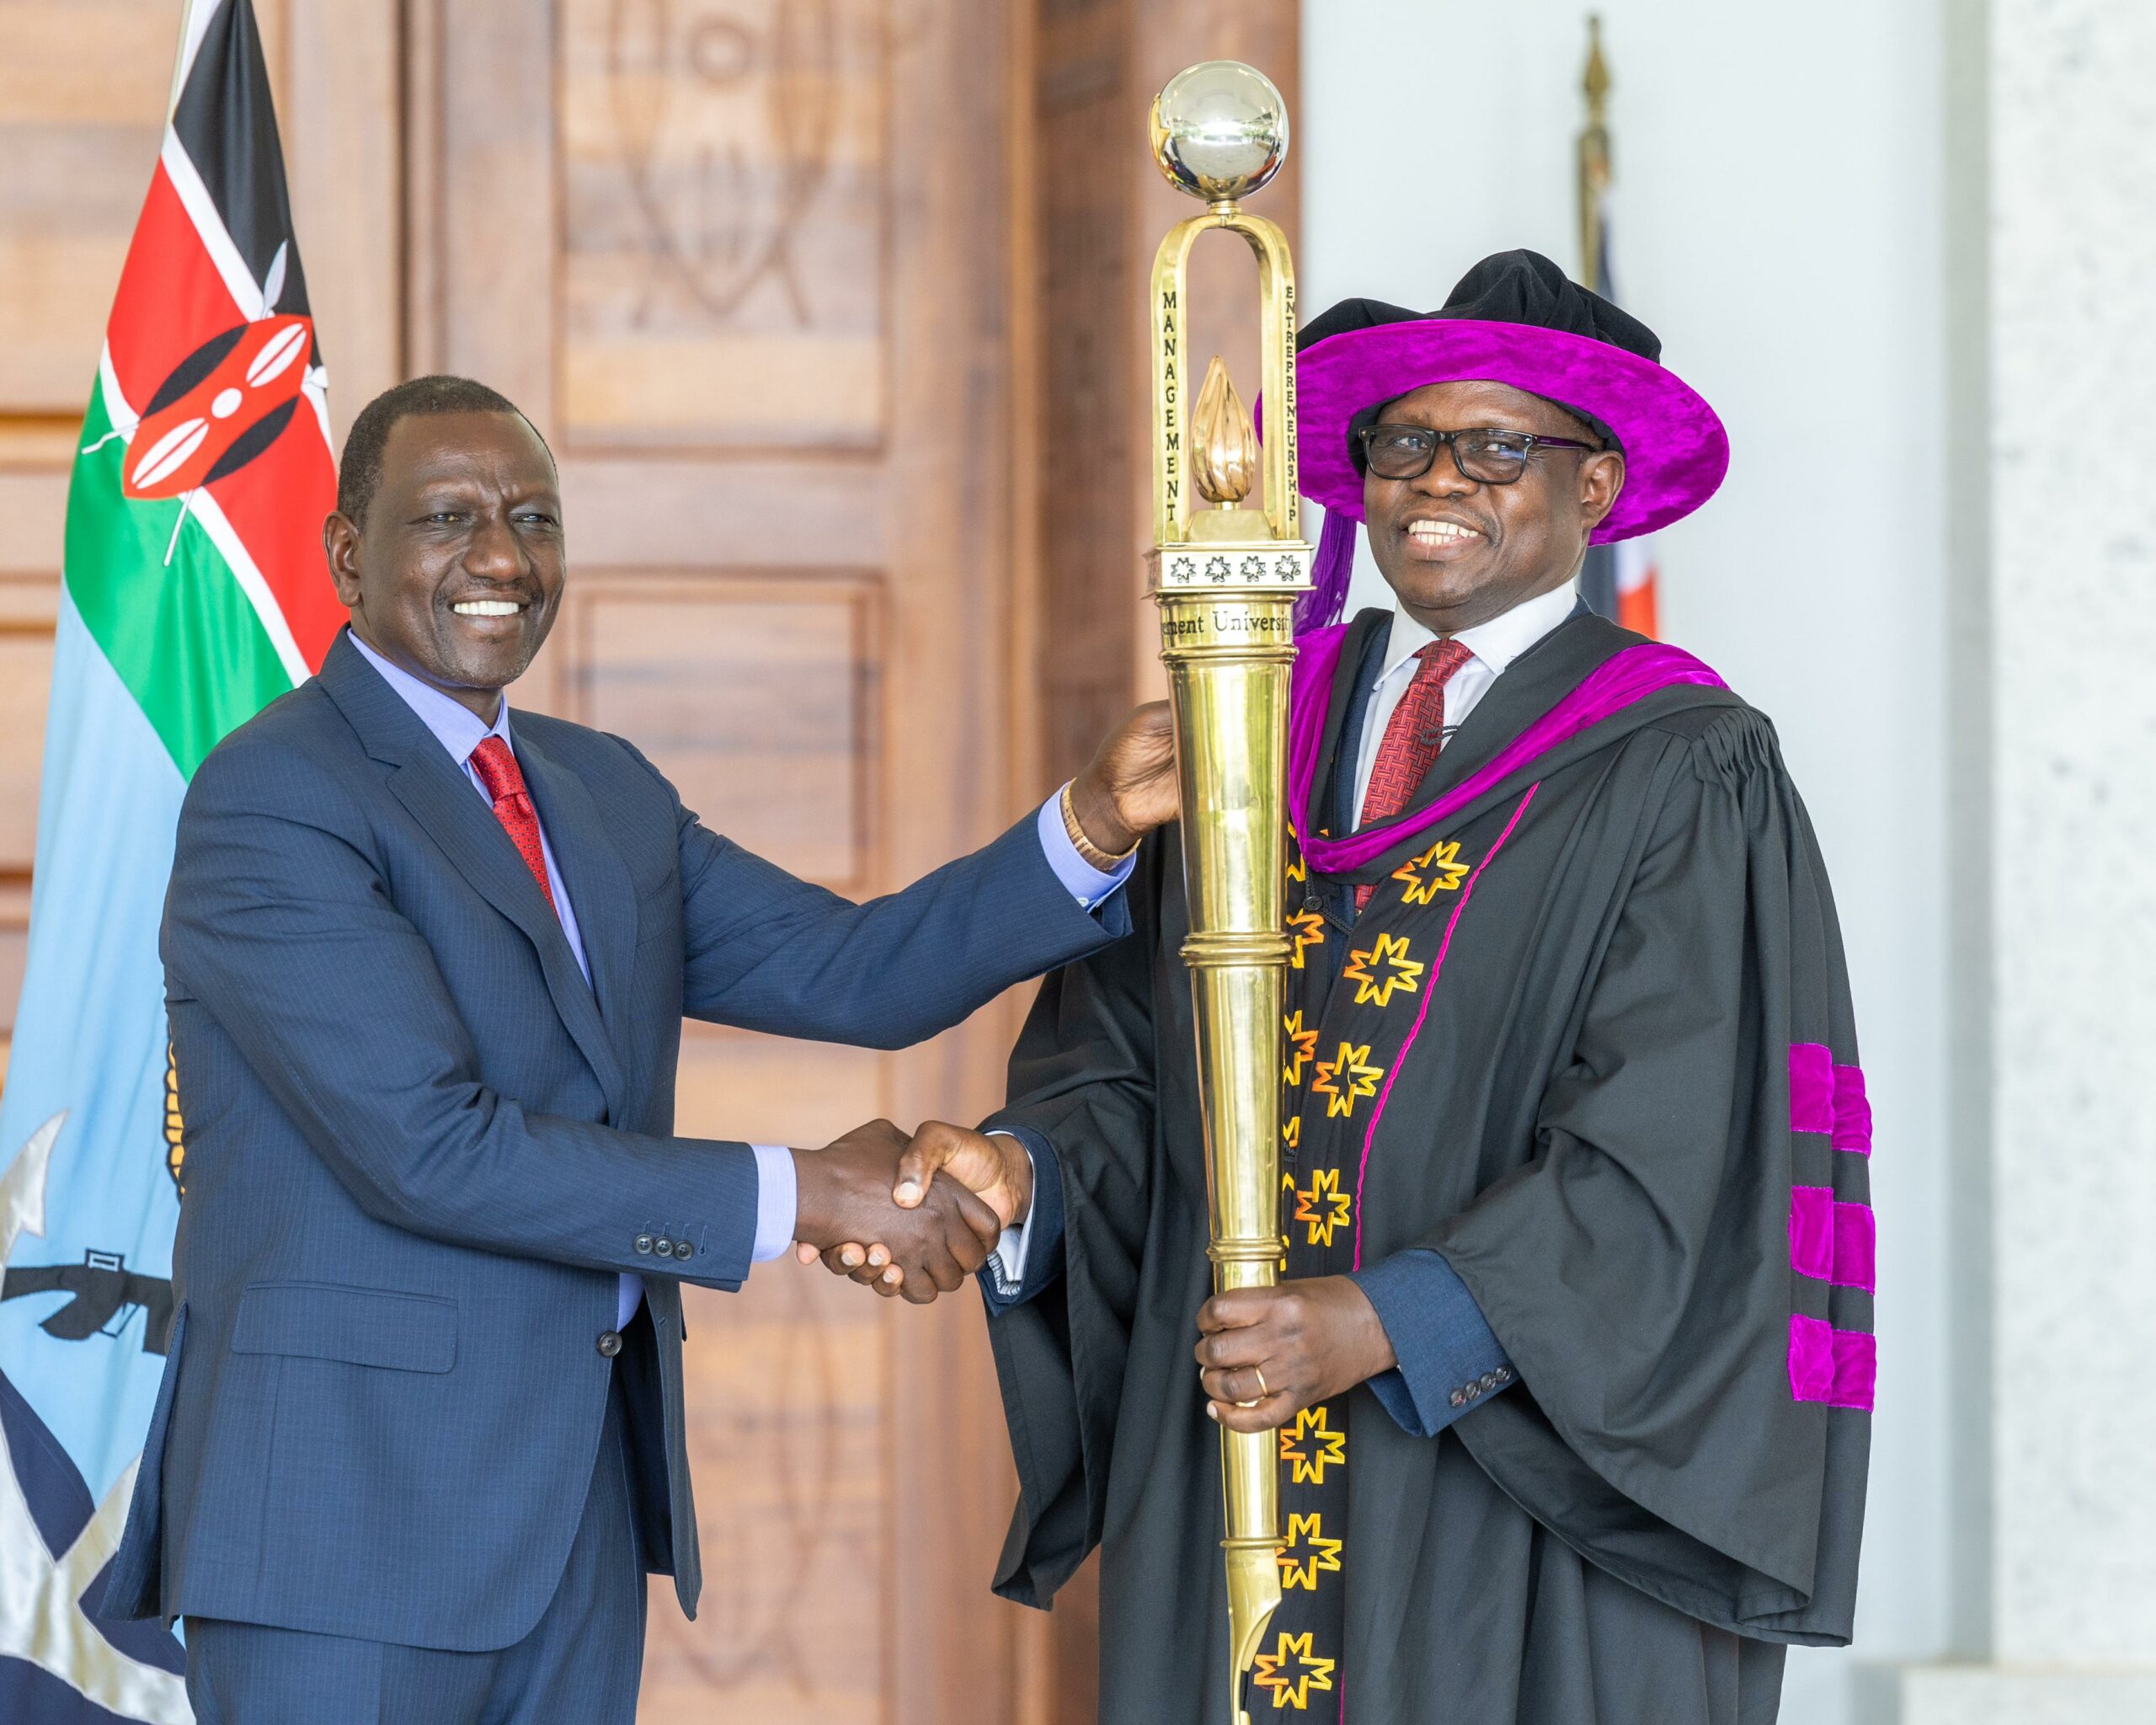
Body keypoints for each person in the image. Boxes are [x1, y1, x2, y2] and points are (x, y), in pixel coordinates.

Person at [822, 252, 1873, 1722]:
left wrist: (1393, 1322)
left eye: (1497, 446)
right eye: (1403, 442)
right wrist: (1024, 1177)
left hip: (1514, 1489)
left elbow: (1688, 1148)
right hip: (1233, 1437)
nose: (1436, 477)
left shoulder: (1680, 769)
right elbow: (1126, 1064)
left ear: (1594, 488)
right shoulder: (1245, 729)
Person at [99, 374, 1175, 1723]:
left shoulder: (601, 789)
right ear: (348, 554)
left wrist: (1091, 824)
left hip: (573, 1531)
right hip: (343, 1538)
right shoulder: (274, 798)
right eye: (448, 518)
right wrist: (811, 1194)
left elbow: (855, 971)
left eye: (533, 518)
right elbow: (430, 1149)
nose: (502, 557)